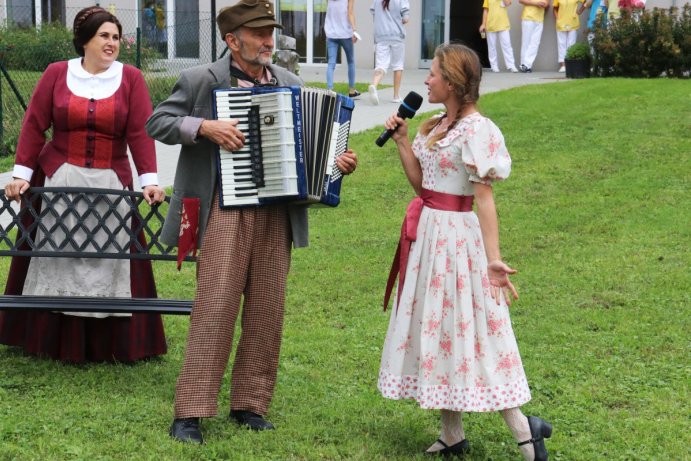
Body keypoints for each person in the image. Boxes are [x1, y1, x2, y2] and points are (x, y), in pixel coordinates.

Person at [146, 0, 358, 444]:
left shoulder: (291, 82)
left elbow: (312, 149)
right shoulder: (201, 80)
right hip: (223, 208)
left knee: (266, 309)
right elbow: (158, 121)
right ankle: (190, 413)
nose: (269, 42)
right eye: (260, 34)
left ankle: (250, 404)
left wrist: (335, 164)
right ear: (232, 40)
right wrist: (204, 128)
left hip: (277, 212)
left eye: (271, 33)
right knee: (215, 307)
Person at [378, 42, 551, 459]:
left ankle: (525, 429)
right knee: (439, 328)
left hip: (459, 243)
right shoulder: (437, 125)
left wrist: (493, 259)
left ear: (452, 81)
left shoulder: (478, 130)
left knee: (475, 332)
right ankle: (452, 433)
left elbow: (485, 199)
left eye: (433, 73)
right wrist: (403, 141)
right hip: (430, 238)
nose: (427, 80)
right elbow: (425, 187)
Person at [0, 6, 167, 363]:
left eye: (116, 37)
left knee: (108, 259)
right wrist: (21, 175)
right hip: (60, 178)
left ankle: (108, 342)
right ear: (85, 40)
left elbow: (140, 131)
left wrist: (149, 181)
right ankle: (55, 339)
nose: (112, 43)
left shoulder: (131, 79)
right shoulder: (57, 74)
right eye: (103, 36)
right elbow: (33, 124)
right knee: (59, 255)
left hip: (111, 182)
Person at [368, 0, 410, 105]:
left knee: (381, 65)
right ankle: (396, 96)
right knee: (398, 65)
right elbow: (405, 19)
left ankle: (374, 84)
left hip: (381, 36)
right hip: (396, 35)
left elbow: (374, 13)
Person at [325, 0, 361, 98]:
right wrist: (354, 30)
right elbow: (350, 12)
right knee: (351, 62)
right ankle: (352, 90)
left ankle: (329, 89)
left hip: (331, 33)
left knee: (331, 63)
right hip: (345, 34)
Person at [479, 0, 519, 73]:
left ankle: (511, 65)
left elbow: (508, 3)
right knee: (492, 47)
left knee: (507, 45)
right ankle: (494, 66)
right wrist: (483, 24)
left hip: (503, 24)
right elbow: (485, 10)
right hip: (490, 24)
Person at [553, 0, 585, 72]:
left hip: (573, 22)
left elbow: (585, 3)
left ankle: (570, 65)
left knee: (571, 44)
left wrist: (579, 12)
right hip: (561, 23)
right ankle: (563, 65)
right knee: (561, 44)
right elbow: (555, 8)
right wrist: (557, 18)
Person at [518, 0, 549, 72]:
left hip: (539, 19)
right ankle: (524, 65)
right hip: (528, 17)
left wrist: (545, 5)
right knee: (526, 42)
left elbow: (547, 4)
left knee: (535, 43)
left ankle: (527, 65)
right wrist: (536, 3)